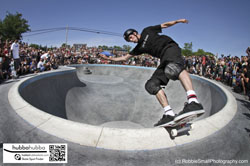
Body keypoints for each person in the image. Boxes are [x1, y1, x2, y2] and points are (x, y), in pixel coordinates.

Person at [100, 19, 205, 127]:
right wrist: (109, 59)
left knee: (173, 68)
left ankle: (193, 101)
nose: (131, 41)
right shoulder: (139, 48)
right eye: (128, 40)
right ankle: (169, 113)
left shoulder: (147, 31)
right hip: (164, 59)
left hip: (170, 48)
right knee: (151, 85)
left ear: (135, 33)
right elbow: (125, 58)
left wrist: (178, 21)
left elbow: (164, 25)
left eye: (131, 38)